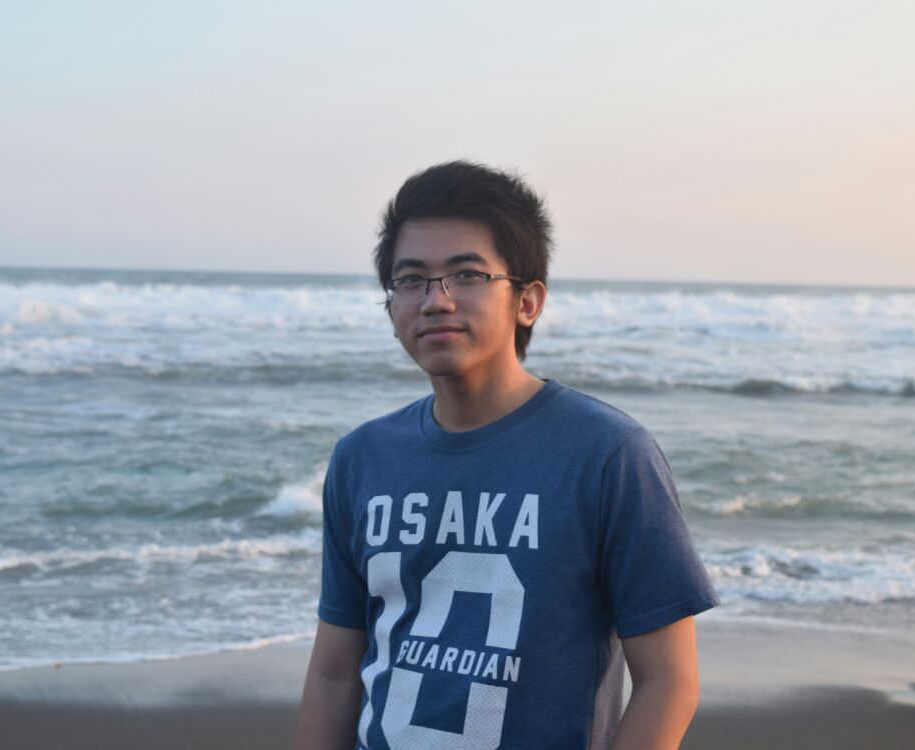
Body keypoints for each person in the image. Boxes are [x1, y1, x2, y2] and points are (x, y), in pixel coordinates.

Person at [297, 160, 718, 749]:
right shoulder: (362, 458)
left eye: (467, 274)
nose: (436, 300)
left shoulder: (607, 455)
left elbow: (668, 681)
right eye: (411, 280)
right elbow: (335, 672)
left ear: (527, 301)